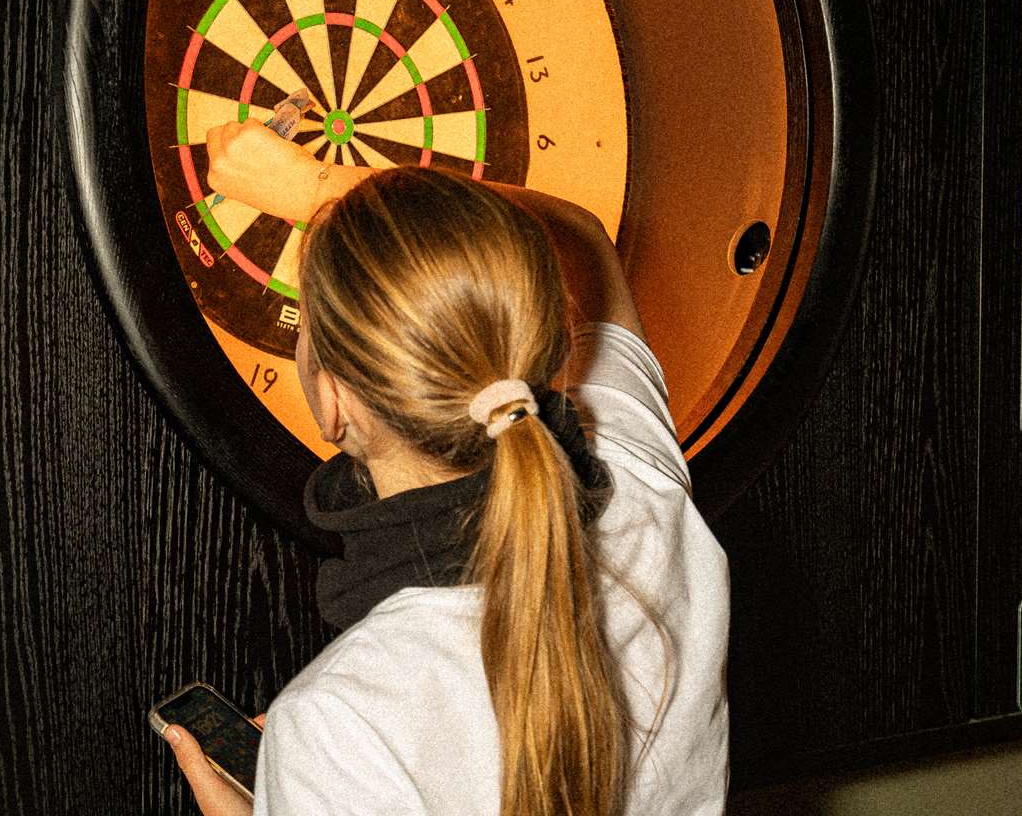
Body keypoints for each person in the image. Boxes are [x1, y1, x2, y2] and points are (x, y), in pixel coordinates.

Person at [157, 120, 730, 816]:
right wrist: (319, 188)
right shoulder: (644, 491)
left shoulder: (338, 725)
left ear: (334, 404)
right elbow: (578, 236)